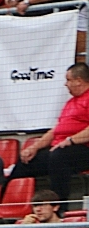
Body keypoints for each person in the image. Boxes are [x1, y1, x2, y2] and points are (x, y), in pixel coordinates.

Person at [11, 62, 89, 200]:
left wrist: (70, 140)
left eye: (68, 80)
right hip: (60, 148)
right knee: (26, 161)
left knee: (59, 157)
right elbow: (55, 130)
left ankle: (58, 207)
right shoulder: (70, 102)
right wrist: (34, 148)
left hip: (82, 149)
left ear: (79, 81)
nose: (66, 84)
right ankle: (10, 203)